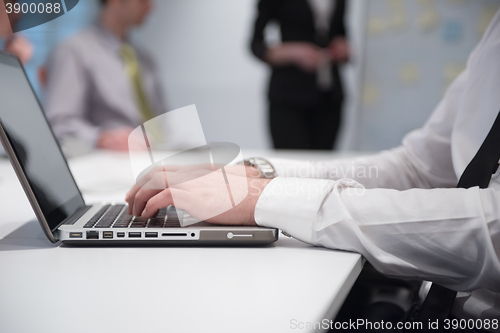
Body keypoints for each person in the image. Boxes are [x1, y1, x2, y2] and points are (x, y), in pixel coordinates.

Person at [126, 8, 500, 328]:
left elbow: (493, 228)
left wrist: (264, 197)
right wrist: (256, 172)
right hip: (289, 96)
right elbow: (417, 168)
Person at [44, 0, 166, 152]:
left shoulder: (145, 59)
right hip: (108, 163)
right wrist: (102, 138)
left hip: (158, 156)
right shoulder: (74, 51)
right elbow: (59, 122)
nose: (150, 7)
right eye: (143, 1)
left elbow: (162, 120)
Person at [250, 0, 349, 150]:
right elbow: (256, 44)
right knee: (292, 166)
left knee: (323, 167)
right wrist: (293, 52)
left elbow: (340, 34)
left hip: (328, 96)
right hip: (288, 95)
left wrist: (342, 49)